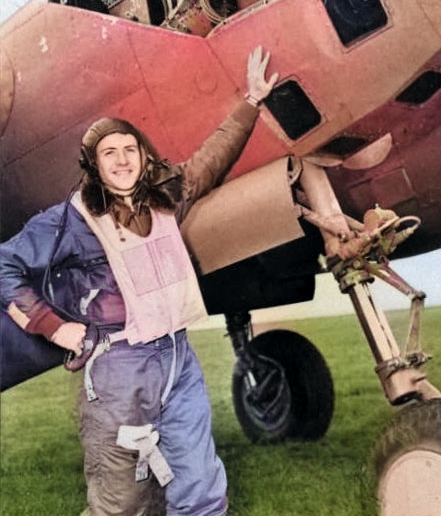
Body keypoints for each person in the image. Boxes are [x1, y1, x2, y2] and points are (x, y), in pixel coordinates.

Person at [0, 46, 278, 516]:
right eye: (110, 154)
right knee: (120, 504)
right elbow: (5, 268)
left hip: (177, 359)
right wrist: (53, 326)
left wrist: (251, 102)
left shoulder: (167, 200)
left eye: (131, 150)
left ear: (145, 158)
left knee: (202, 489)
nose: (123, 160)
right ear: (93, 165)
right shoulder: (70, 221)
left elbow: (211, 159)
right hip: (118, 369)